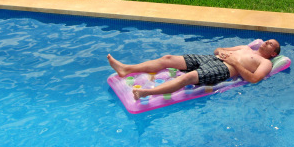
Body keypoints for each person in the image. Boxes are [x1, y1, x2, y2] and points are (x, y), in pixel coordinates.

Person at [107, 39, 281, 100]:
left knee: (188, 77)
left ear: (273, 53)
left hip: (224, 70)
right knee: (168, 58)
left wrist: (235, 63)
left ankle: (146, 93)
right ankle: (125, 69)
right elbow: (218, 50)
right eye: (268, 40)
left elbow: (254, 79)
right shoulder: (246, 48)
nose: (267, 42)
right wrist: (222, 53)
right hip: (212, 59)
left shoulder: (265, 63)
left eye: (271, 43)